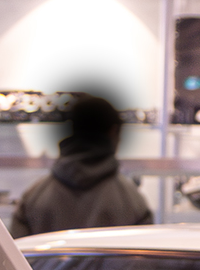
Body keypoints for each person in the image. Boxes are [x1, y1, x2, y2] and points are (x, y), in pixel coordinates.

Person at [9, 94, 151, 238]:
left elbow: (13, 254)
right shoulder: (132, 202)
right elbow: (144, 257)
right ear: (113, 131)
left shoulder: (34, 197)